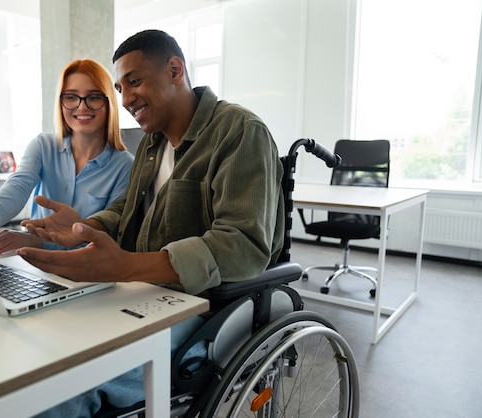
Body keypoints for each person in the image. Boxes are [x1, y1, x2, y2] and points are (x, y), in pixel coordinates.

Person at [19, 30, 285, 417]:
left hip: (203, 311)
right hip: (143, 296)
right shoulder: (152, 141)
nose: (124, 100)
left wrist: (128, 267)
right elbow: (128, 209)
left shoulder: (240, 131)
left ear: (175, 70)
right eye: (119, 88)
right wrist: (84, 227)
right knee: (44, 350)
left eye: (135, 82)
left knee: (64, 387)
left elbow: (242, 245)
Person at [0, 59, 134, 254]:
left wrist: (37, 242)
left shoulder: (125, 166)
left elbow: (108, 236)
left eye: (93, 97)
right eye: (71, 97)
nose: (82, 107)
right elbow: (16, 188)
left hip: (87, 270)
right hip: (37, 266)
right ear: (61, 102)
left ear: (108, 102)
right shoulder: (43, 146)